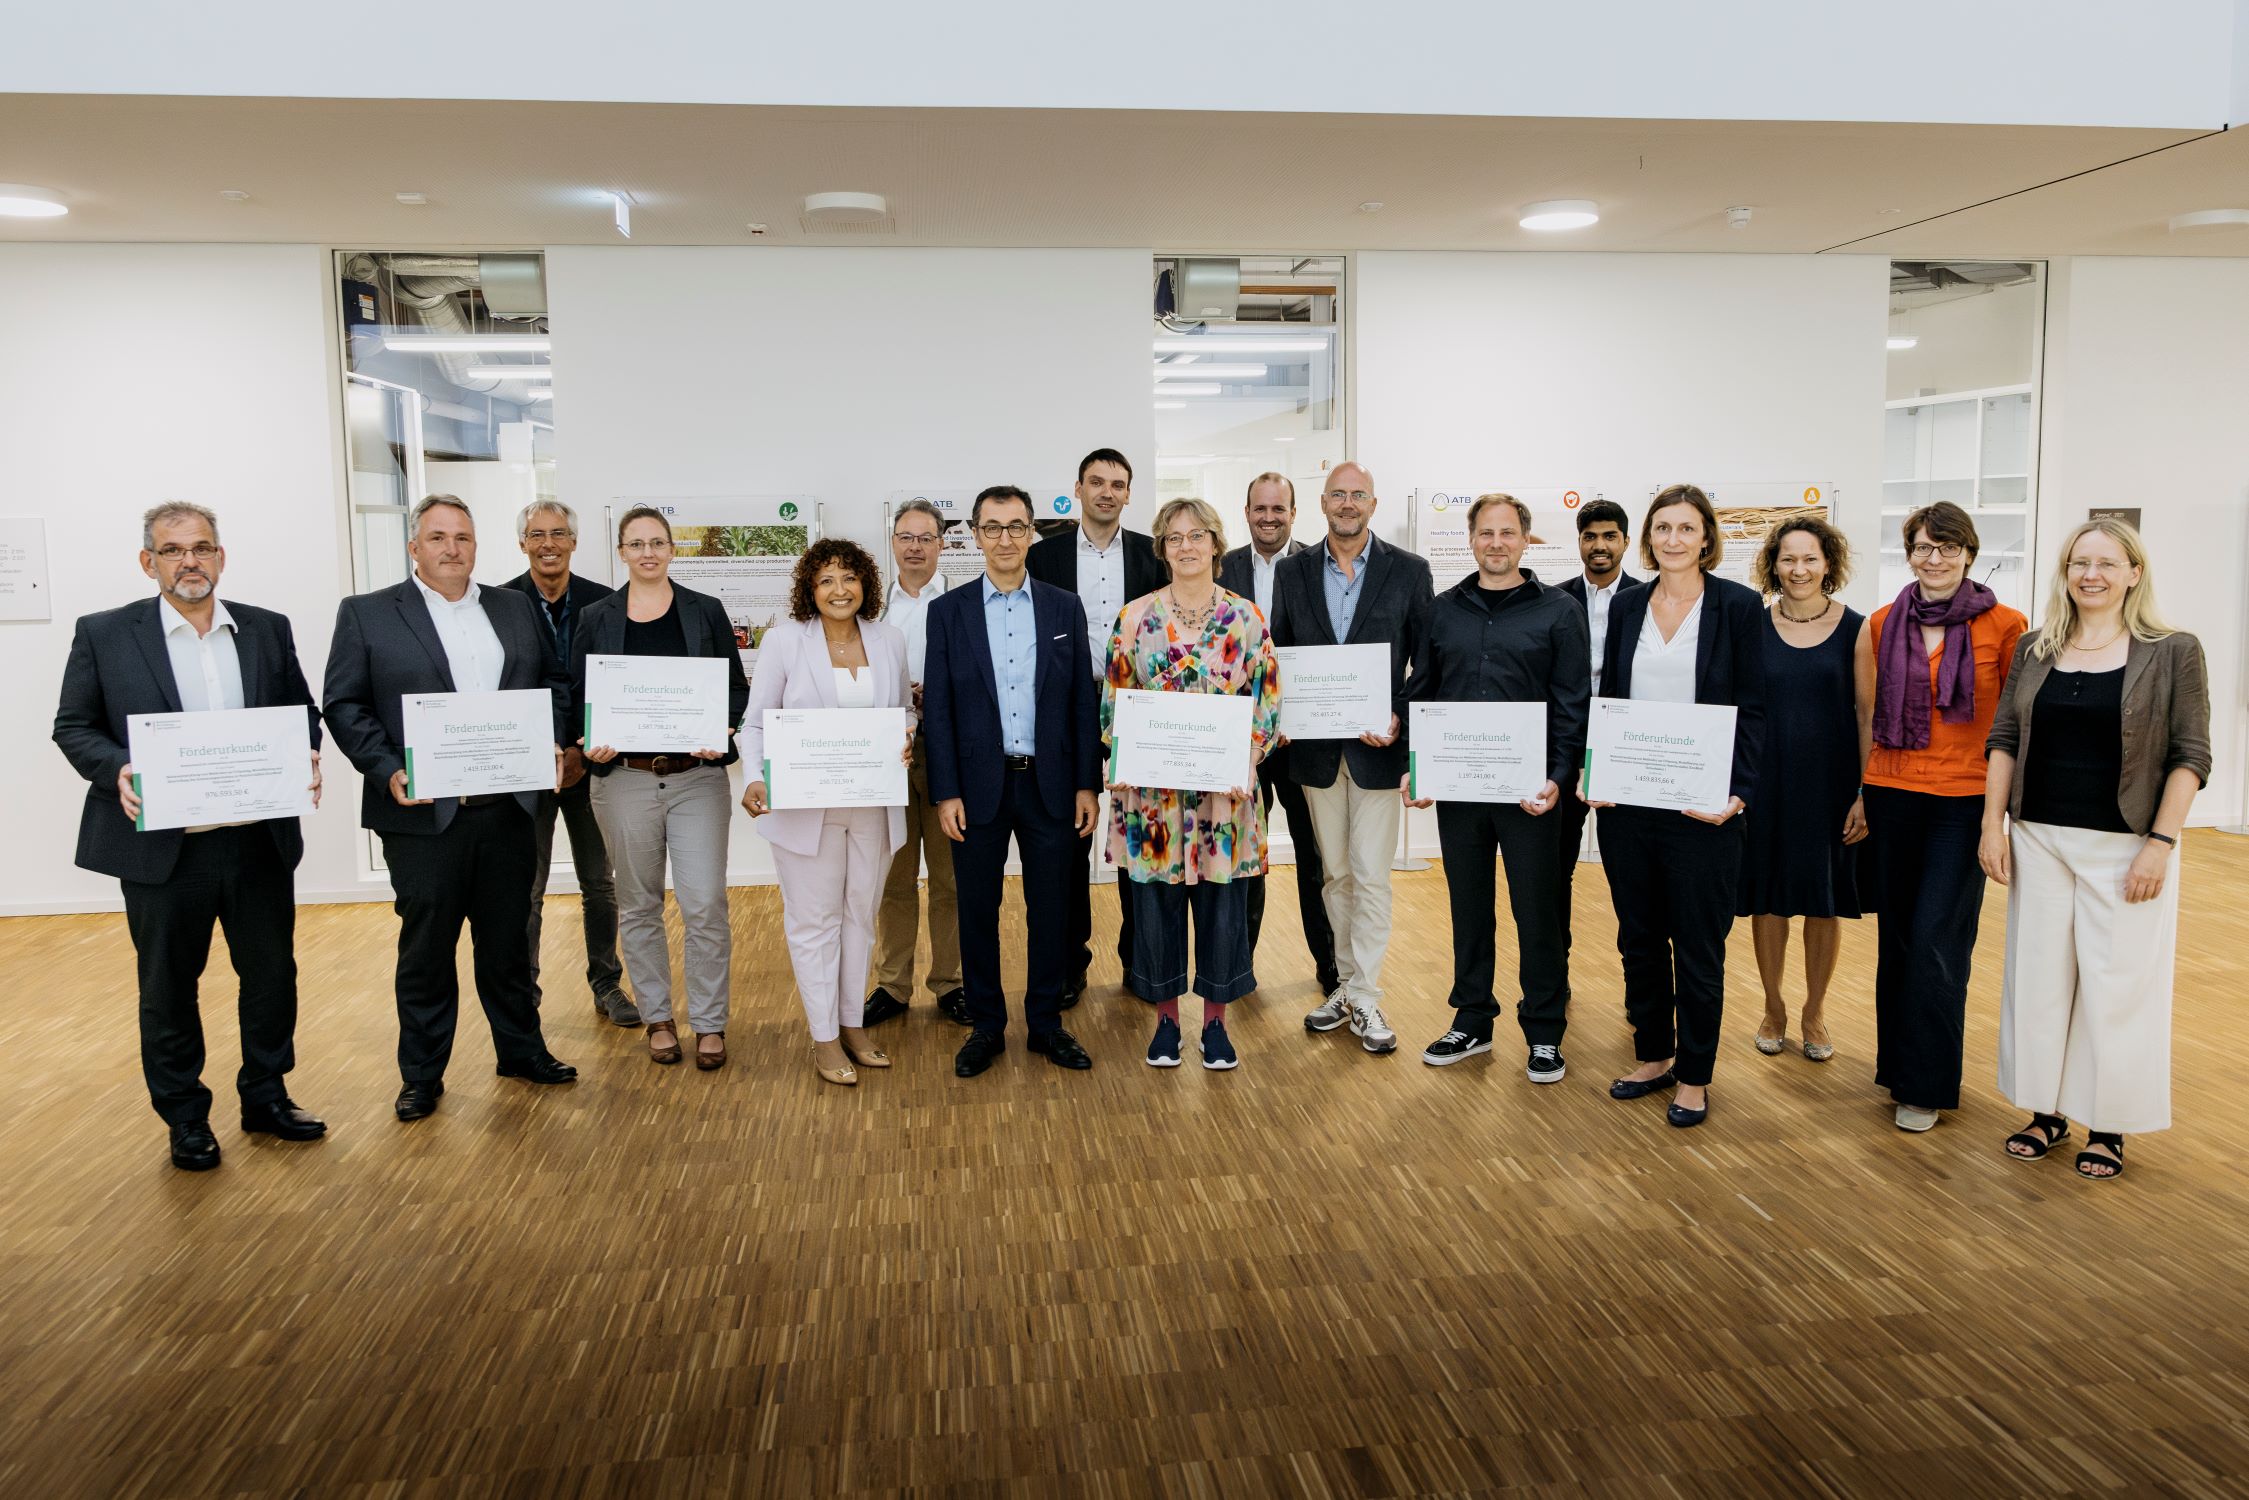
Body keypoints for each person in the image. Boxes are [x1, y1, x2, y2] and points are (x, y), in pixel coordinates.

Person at [52, 502, 326, 1171]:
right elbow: (73, 726)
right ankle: (185, 1118)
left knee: (271, 977)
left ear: (221, 557)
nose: (189, 561)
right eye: (173, 551)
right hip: (163, 850)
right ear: (148, 562)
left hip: (257, 839)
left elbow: (300, 711)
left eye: (201, 547)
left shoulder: (265, 628)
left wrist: (305, 753)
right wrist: (117, 767)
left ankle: (266, 1096)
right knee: (169, 987)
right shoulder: (105, 633)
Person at [323, 493, 578, 1122]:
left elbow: (553, 684)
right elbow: (344, 704)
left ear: (476, 546)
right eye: (437, 537)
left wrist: (549, 740)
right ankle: (421, 1075)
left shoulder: (514, 607)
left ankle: (521, 1050)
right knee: (427, 952)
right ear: (414, 546)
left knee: (507, 943)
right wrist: (387, 768)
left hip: (506, 808)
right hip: (422, 815)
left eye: (462, 537)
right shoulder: (367, 613)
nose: (451, 548)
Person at [1983, 520, 2209, 1181]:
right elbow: (2003, 738)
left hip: (2127, 843)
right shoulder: (2036, 647)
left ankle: (2107, 1125)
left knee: (2116, 990)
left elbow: (2191, 754)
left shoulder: (2172, 650)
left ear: (2133, 573)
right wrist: (1991, 826)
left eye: (2107, 563)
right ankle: (2046, 1112)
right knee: (2038, 984)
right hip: (2039, 838)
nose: (2091, 575)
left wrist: (2160, 843)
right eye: (2079, 562)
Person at [1590, 484, 1766, 1128]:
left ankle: (1694, 1075)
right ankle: (1653, 1056)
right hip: (1630, 804)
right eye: (1663, 527)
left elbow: (1756, 707)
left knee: (1697, 946)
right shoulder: (1628, 604)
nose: (1673, 539)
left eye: (1686, 528)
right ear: (1649, 537)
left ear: (1706, 538)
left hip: (1703, 808)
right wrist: (1597, 769)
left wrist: (1739, 793)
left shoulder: (1738, 607)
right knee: (1638, 938)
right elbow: (1610, 696)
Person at [1402, 493, 1589, 1081]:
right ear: (1471, 539)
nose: (1496, 543)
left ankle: (1545, 1031)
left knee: (1538, 911)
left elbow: (1572, 703)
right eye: (1486, 533)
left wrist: (1559, 777)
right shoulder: (1442, 611)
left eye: (1508, 533)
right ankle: (1472, 1020)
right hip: (1460, 791)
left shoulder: (1560, 611)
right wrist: (1418, 766)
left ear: (1526, 540)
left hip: (1531, 793)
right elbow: (1421, 693)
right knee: (1469, 908)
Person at [1858, 501, 2027, 1133]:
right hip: (1891, 791)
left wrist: (1998, 818)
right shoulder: (1881, 622)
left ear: (1969, 553)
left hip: (1963, 799)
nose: (1935, 559)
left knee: (1938, 938)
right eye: (1924, 547)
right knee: (1899, 935)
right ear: (1908, 554)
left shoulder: (2006, 625)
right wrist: (1859, 792)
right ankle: (1898, 1070)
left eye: (1948, 547)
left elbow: (2012, 727)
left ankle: (1927, 1084)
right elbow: (1867, 714)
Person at [924, 485, 1103, 1078]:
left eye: (1016, 526)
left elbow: (1082, 701)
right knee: (978, 910)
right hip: (977, 788)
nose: (1005, 538)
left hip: (1051, 785)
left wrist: (1087, 784)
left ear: (1032, 534)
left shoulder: (1063, 607)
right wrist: (945, 791)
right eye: (993, 527)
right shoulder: (948, 612)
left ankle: (1046, 1023)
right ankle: (987, 1025)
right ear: (975, 535)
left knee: (1051, 910)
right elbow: (939, 709)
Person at [1104, 498, 1281, 1070]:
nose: (1186, 546)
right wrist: (1121, 756)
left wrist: (1249, 759)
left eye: (1197, 535)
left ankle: (1215, 1024)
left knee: (1222, 909)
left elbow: (1267, 700)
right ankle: (1165, 1022)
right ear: (1162, 548)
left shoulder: (1246, 618)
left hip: (1222, 799)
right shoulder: (1135, 618)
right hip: (1152, 802)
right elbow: (1113, 703)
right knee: (1155, 910)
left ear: (1215, 544)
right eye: (1174, 537)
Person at [571, 506, 749, 1071]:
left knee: (705, 903)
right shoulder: (596, 616)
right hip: (623, 779)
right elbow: (578, 694)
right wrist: (587, 739)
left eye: (657, 542)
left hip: (697, 779)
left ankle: (710, 1022)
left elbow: (735, 689)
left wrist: (721, 729)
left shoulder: (705, 610)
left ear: (672, 549)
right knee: (638, 904)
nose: (647, 553)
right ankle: (658, 1018)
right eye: (636, 544)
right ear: (621, 552)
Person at [1268, 461, 1434, 1055]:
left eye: (1357, 495)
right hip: (1315, 752)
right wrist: (1286, 715)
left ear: (1373, 504)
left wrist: (1400, 716)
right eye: (1337, 494)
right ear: (1322, 503)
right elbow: (1281, 653)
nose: (1347, 503)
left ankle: (1365, 993)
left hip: (1377, 751)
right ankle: (1345, 983)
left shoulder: (1409, 571)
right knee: (1335, 873)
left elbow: (1427, 662)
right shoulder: (1291, 572)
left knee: (1370, 874)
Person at [741, 539, 916, 1085]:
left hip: (872, 804)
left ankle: (853, 1026)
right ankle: (823, 1038)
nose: (840, 590)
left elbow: (904, 710)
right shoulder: (785, 641)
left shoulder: (888, 639)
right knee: (814, 922)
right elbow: (755, 722)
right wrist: (754, 776)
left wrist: (907, 735)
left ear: (866, 583)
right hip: (804, 806)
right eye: (826, 581)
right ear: (809, 590)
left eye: (849, 578)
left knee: (860, 915)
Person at [1026, 448, 1164, 1000]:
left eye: (1118, 484)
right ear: (1078, 489)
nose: (1107, 492)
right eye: (1097, 482)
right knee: (1067, 842)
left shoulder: (1153, 556)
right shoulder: (1044, 557)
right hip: (1066, 711)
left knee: (1139, 840)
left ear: (1129, 494)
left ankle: (1140, 961)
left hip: (1139, 710)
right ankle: (1070, 964)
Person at [1738, 516, 1868, 1064]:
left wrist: (1864, 792)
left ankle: (1814, 1011)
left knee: (1823, 900)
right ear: (1773, 565)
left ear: (1828, 564)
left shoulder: (1857, 628)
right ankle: (1773, 1007)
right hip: (1765, 782)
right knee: (1768, 901)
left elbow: (1867, 714)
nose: (1799, 569)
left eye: (1810, 558)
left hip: (1830, 785)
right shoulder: (1753, 625)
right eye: (1788, 558)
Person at [503, 500, 632, 1027]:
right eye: (537, 534)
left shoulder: (606, 602)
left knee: (599, 883)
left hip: (592, 762)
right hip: (526, 766)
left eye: (558, 533)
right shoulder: (499, 604)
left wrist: (578, 749)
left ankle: (606, 984)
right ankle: (525, 995)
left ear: (575, 542)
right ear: (522, 543)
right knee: (527, 889)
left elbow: (615, 681)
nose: (548, 544)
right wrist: (545, 748)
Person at [1217, 471, 1339, 1001]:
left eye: (1278, 509)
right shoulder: (1221, 568)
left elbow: (1326, 649)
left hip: (1301, 740)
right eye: (1260, 509)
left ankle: (1331, 965)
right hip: (1238, 740)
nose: (1269, 518)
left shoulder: (1319, 566)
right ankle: (1238, 966)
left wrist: (1291, 717)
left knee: (1315, 855)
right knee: (1243, 855)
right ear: (1246, 512)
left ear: (1294, 512)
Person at [866, 499, 967, 1027]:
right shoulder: (870, 610)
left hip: (949, 752)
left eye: (926, 538)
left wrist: (941, 694)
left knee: (951, 879)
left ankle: (951, 983)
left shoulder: (964, 603)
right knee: (894, 878)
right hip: (888, 753)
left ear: (942, 544)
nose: (915, 547)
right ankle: (893, 985)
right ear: (893, 543)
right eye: (905, 537)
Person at [1553, 498, 1639, 958]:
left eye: (1609, 536)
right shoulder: (1554, 599)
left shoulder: (1647, 599)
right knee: (1555, 868)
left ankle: (1637, 978)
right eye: (1590, 537)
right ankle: (1554, 978)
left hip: (1625, 748)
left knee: (1630, 872)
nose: (1599, 545)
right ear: (1579, 542)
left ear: (1625, 541)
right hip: (1565, 746)